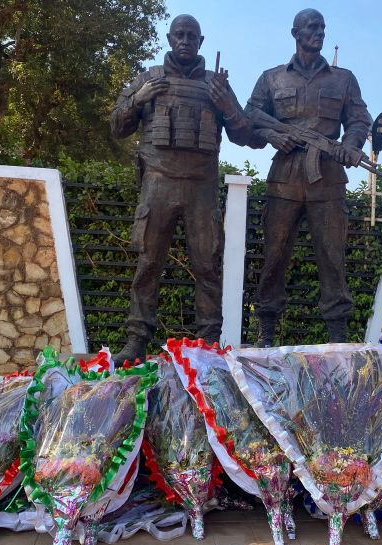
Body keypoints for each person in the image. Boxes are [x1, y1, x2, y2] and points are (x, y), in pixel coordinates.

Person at [110, 14, 253, 364]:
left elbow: (245, 135)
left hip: (201, 187)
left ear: (201, 42)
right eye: (179, 34)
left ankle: (208, 340)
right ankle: (136, 340)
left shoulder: (215, 85)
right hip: (157, 182)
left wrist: (228, 106)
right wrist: (137, 99)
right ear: (170, 38)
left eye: (192, 35)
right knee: (148, 264)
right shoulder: (148, 79)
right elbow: (117, 126)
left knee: (207, 264)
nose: (185, 40)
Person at [245, 8, 372, 345]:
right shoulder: (271, 78)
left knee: (332, 257)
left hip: (327, 179)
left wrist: (350, 144)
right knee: (273, 256)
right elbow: (248, 121)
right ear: (295, 33)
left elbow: (359, 119)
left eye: (322, 28)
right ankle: (266, 331)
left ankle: (337, 337)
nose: (319, 33)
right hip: (283, 177)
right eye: (312, 27)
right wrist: (273, 136)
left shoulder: (343, 79)